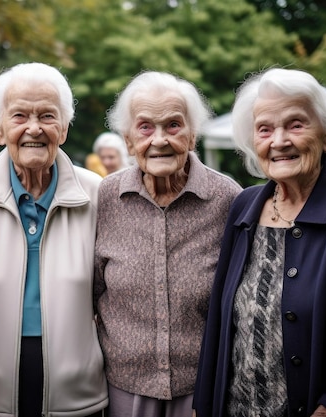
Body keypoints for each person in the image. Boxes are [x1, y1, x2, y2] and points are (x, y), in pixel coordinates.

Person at [193, 68, 326, 417]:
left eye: (295, 124)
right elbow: (220, 323)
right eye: (264, 129)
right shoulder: (244, 207)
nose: (278, 141)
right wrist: (203, 405)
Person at [0, 62, 108, 417]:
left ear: (64, 126)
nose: (34, 128)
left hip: (78, 398)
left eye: (47, 115)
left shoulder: (97, 195)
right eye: (19, 116)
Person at [94, 71, 242, 417]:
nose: (159, 139)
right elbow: (92, 289)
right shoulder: (107, 198)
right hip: (125, 386)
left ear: (192, 135)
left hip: (204, 386)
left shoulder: (227, 198)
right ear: (128, 141)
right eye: (145, 127)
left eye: (173, 125)